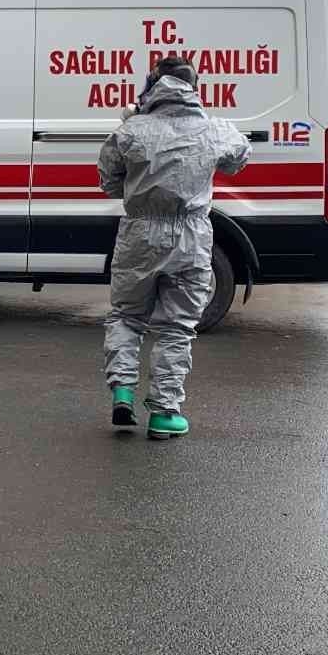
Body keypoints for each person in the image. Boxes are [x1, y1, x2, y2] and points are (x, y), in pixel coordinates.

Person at [97, 56, 251, 439]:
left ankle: (123, 390)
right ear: (193, 87)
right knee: (177, 327)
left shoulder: (131, 130)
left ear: (152, 86)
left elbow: (108, 180)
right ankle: (165, 413)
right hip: (191, 237)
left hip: (139, 233)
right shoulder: (213, 129)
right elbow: (239, 158)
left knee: (127, 315)